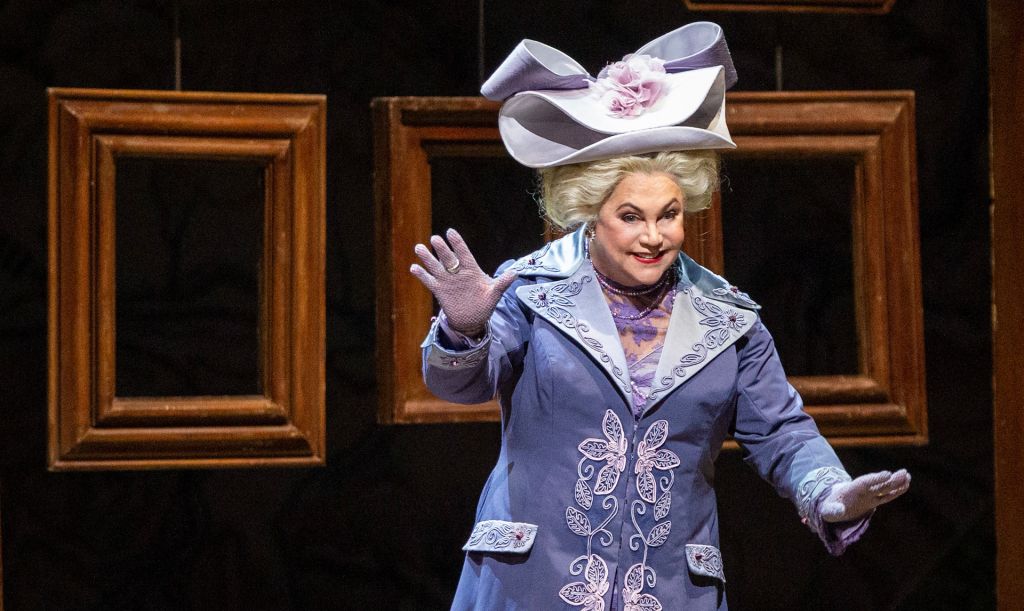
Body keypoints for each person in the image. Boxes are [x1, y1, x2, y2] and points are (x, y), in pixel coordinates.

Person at [411, 22, 910, 611]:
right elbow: (461, 383)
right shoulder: (530, 291)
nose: (654, 236)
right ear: (590, 216)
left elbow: (781, 432)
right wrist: (464, 330)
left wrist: (826, 490)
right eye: (631, 216)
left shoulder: (729, 320)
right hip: (532, 587)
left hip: (672, 591)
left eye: (669, 215)